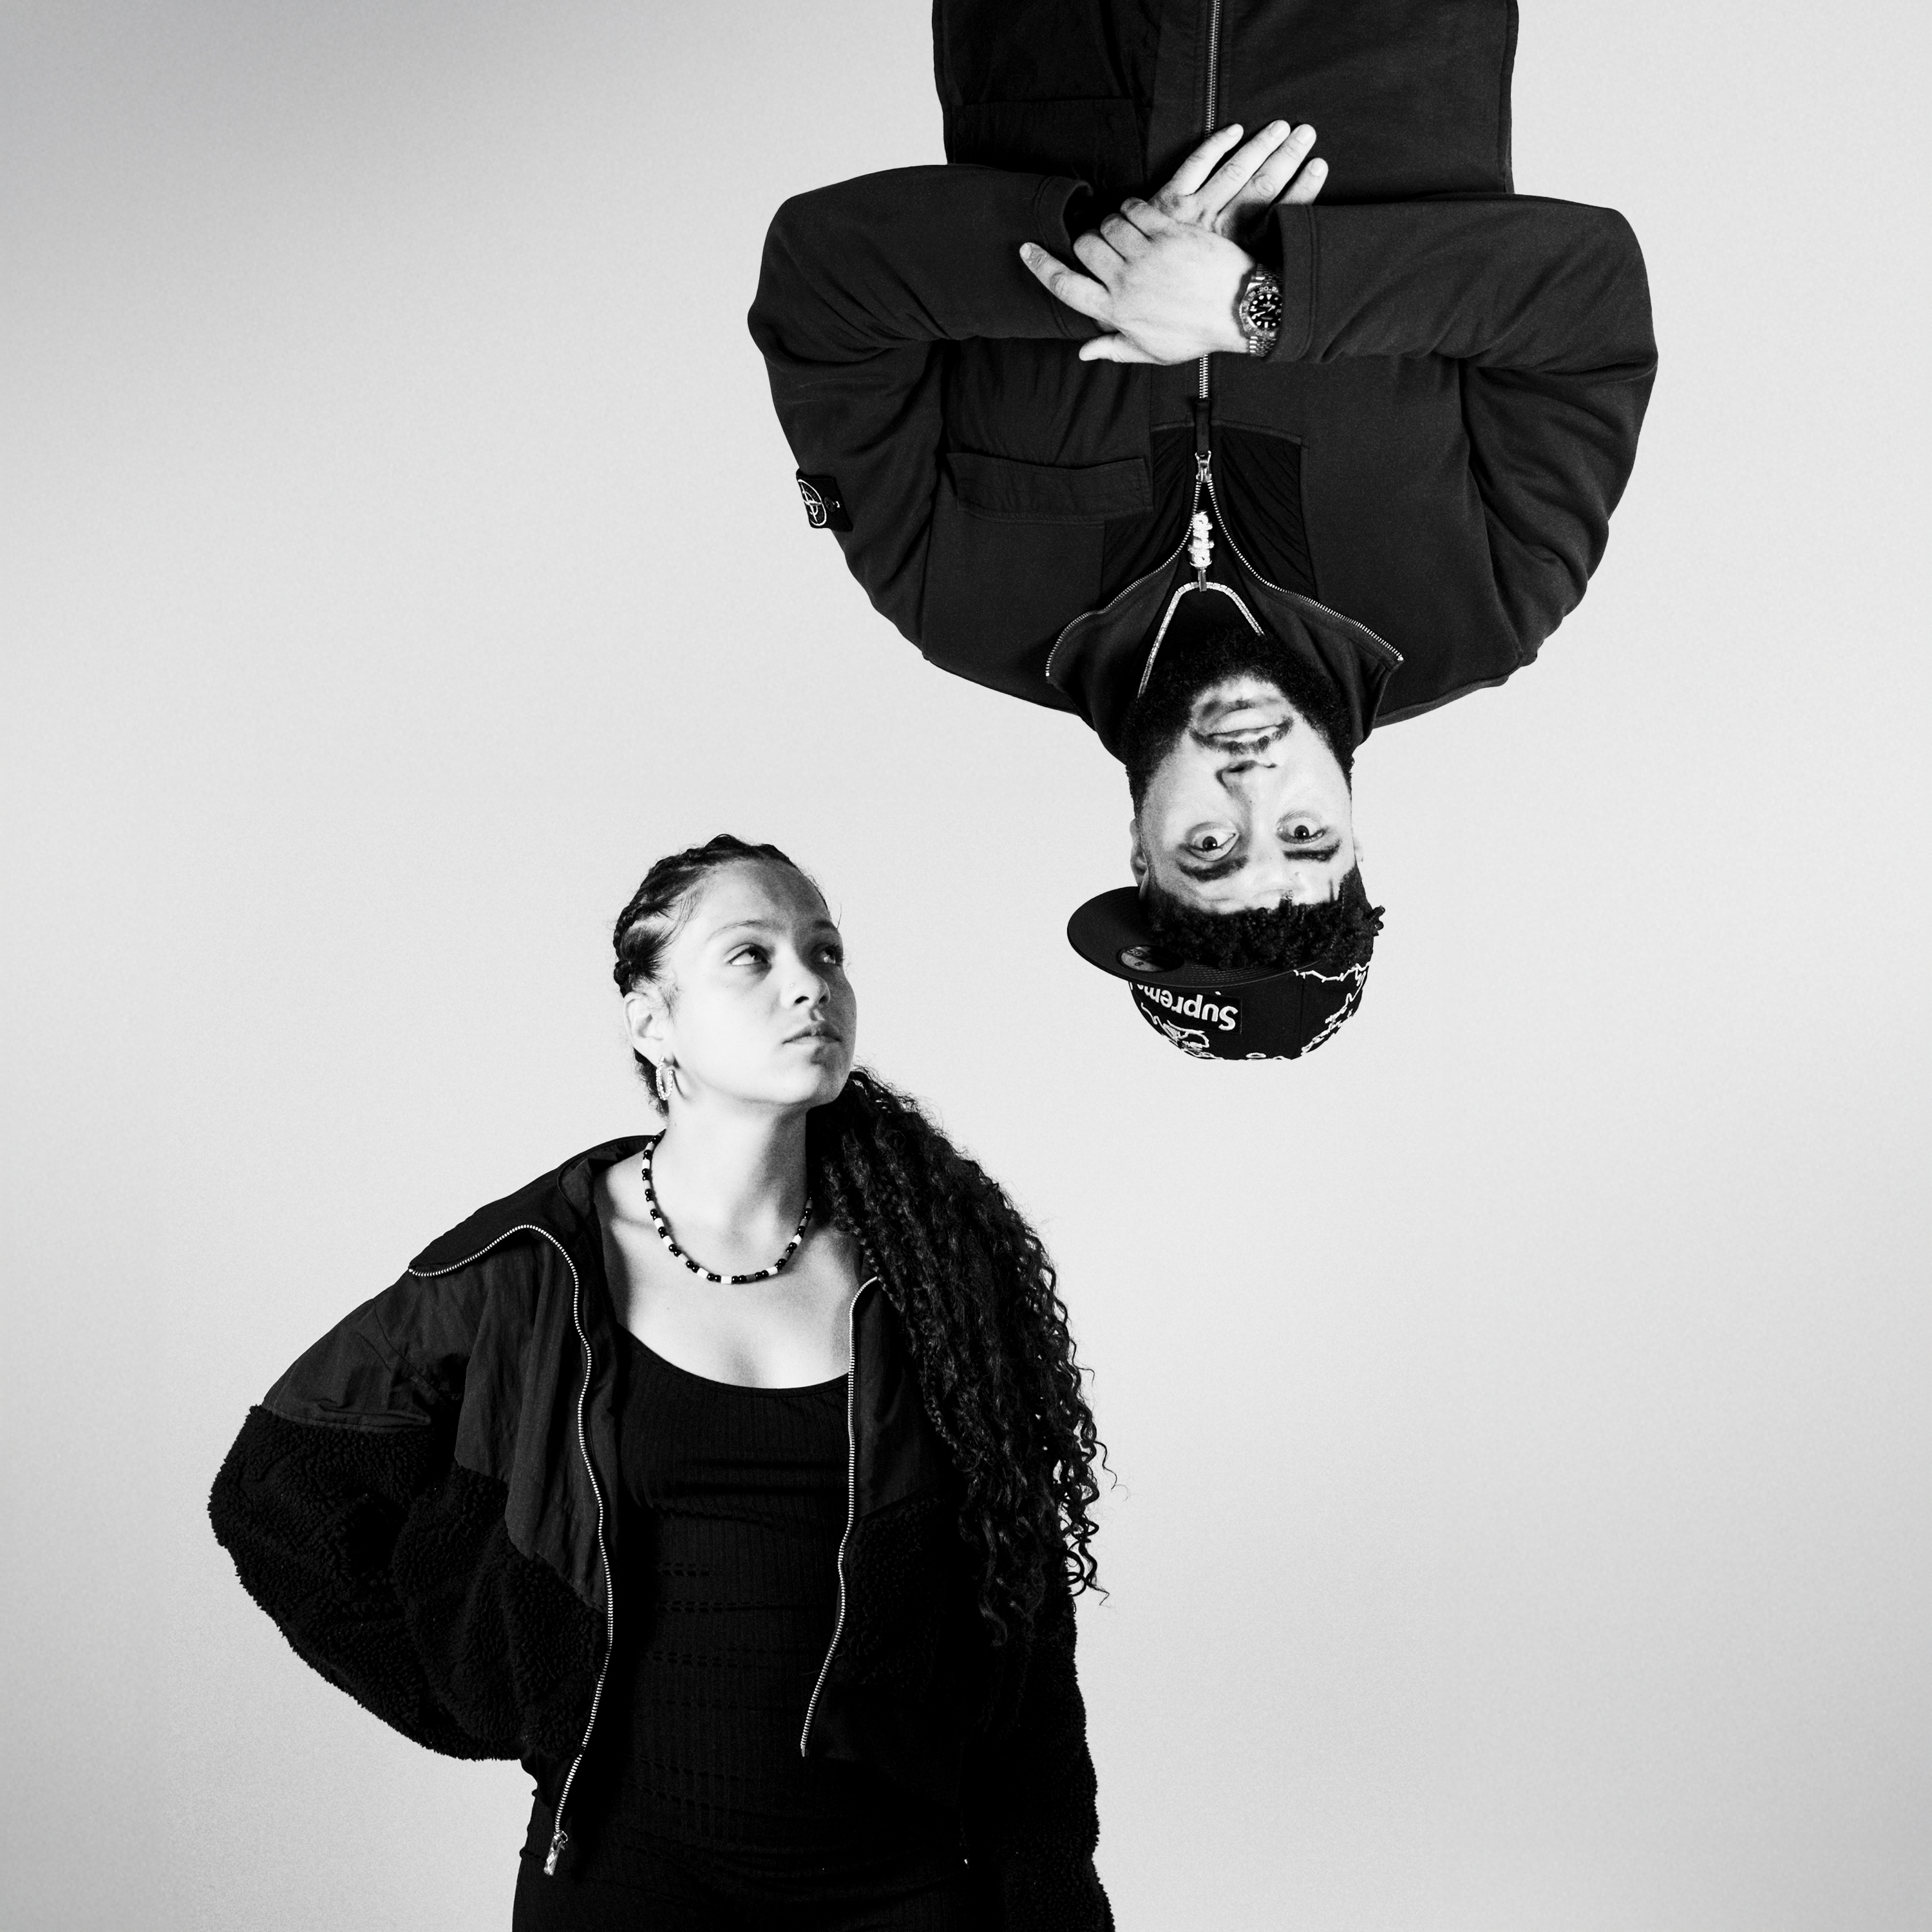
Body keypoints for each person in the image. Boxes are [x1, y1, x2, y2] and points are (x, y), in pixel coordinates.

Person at [209, 835, 1112, 1931]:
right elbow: (278, 1490)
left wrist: (1051, 1879)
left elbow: (1020, 1616)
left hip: (898, 1885)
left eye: (826, 953)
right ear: (652, 1021)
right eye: (752, 955)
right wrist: (484, 1690)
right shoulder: (538, 1262)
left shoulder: (934, 1270)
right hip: (623, 1883)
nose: (807, 983)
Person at [748, 0, 1656, 1060]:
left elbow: (819, 282)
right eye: (1308, 838)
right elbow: (1584, 292)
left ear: (1140, 853)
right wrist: (1260, 307)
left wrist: (1109, 279)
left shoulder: (954, 600)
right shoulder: (1490, 601)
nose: (1255, 781)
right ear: (1357, 833)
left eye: (1213, 848)